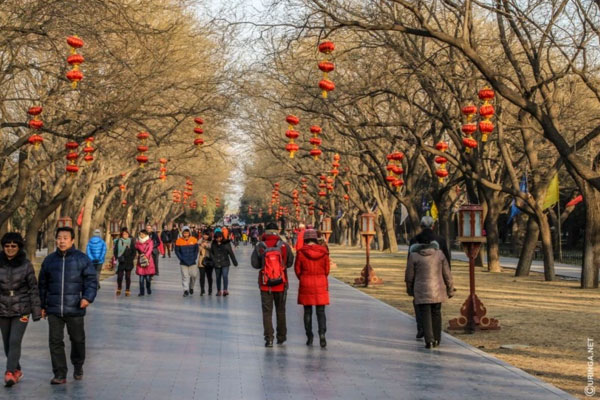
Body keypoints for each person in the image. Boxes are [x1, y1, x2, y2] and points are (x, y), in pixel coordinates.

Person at [38, 226, 97, 385]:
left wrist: (87, 298)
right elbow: (42, 285)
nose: (61, 241)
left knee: (77, 340)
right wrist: (42, 306)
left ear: (72, 240)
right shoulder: (49, 260)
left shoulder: (82, 259)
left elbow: (91, 281)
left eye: (65, 238)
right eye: (59, 238)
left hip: (76, 307)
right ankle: (60, 374)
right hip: (54, 309)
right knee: (55, 341)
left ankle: (78, 365)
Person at [0, 232, 41, 387]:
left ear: (19, 247)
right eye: (7, 246)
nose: (10, 249)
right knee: (6, 343)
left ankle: (9, 372)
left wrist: (36, 311)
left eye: (13, 246)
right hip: (3, 307)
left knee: (15, 340)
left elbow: (33, 288)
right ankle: (17, 369)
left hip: (22, 308)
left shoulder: (26, 265)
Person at [405, 238, 454, 349]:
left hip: (421, 289)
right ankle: (437, 338)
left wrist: (409, 289)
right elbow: (447, 274)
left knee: (425, 314)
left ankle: (429, 341)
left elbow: (409, 275)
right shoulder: (439, 254)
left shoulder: (414, 255)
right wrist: (450, 289)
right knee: (436, 313)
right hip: (437, 289)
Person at [251, 222, 294, 347]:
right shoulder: (284, 246)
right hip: (281, 283)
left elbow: (254, 264)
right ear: (277, 231)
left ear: (266, 231)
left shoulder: (260, 246)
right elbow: (290, 262)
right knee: (281, 311)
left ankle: (269, 338)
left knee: (267, 312)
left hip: (265, 284)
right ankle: (281, 337)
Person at [409, 216, 452, 339]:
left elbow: (409, 263)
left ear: (421, 226)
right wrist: (448, 282)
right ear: (433, 226)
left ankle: (422, 328)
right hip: (438, 280)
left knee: (420, 306)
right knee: (436, 309)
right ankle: (435, 336)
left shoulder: (414, 240)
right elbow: (447, 262)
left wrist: (410, 283)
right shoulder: (441, 240)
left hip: (419, 281)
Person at [294, 229, 330, 347]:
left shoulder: (300, 253)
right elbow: (327, 270)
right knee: (321, 312)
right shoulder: (324, 252)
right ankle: (322, 334)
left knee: (307, 312)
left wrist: (303, 277)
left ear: (305, 239)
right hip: (320, 283)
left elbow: (297, 270)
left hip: (306, 283)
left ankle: (309, 335)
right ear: (315, 239)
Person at [210, 231, 238, 296]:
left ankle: (225, 290)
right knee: (218, 277)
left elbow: (231, 253)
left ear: (222, 237)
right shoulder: (213, 244)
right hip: (216, 263)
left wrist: (235, 262)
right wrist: (214, 260)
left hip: (225, 262)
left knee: (225, 276)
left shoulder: (226, 243)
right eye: (216, 238)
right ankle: (219, 291)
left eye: (219, 237)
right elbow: (211, 253)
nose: (218, 239)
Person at [174, 226, 199, 297]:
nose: (186, 234)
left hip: (192, 261)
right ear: (182, 233)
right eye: (184, 233)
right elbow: (177, 251)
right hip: (183, 262)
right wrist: (181, 258)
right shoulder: (178, 241)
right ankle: (186, 290)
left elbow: (196, 250)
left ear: (189, 233)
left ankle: (191, 287)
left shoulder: (194, 240)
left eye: (187, 233)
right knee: (185, 276)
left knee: (194, 276)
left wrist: (194, 257)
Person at [114, 228, 135, 296]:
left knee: (128, 277)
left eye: (126, 234)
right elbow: (115, 251)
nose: (124, 235)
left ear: (128, 234)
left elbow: (134, 251)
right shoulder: (118, 241)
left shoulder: (131, 241)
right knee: (119, 276)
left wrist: (131, 258)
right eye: (123, 234)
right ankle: (119, 288)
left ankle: (127, 290)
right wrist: (118, 257)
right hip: (121, 261)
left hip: (129, 261)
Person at [135, 230, 156, 296]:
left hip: (148, 260)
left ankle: (148, 288)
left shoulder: (150, 241)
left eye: (143, 234)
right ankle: (141, 292)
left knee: (147, 278)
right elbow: (136, 249)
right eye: (140, 234)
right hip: (141, 261)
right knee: (141, 278)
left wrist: (146, 256)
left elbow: (150, 249)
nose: (141, 235)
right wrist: (137, 254)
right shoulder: (138, 242)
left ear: (146, 235)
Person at [198, 230, 214, 295]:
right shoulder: (200, 241)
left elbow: (213, 249)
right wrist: (201, 244)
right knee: (202, 276)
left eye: (206, 235)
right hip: (201, 260)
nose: (205, 236)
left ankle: (210, 289)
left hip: (209, 261)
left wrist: (206, 245)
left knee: (209, 276)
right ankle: (202, 289)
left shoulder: (212, 241)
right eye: (204, 234)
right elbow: (198, 249)